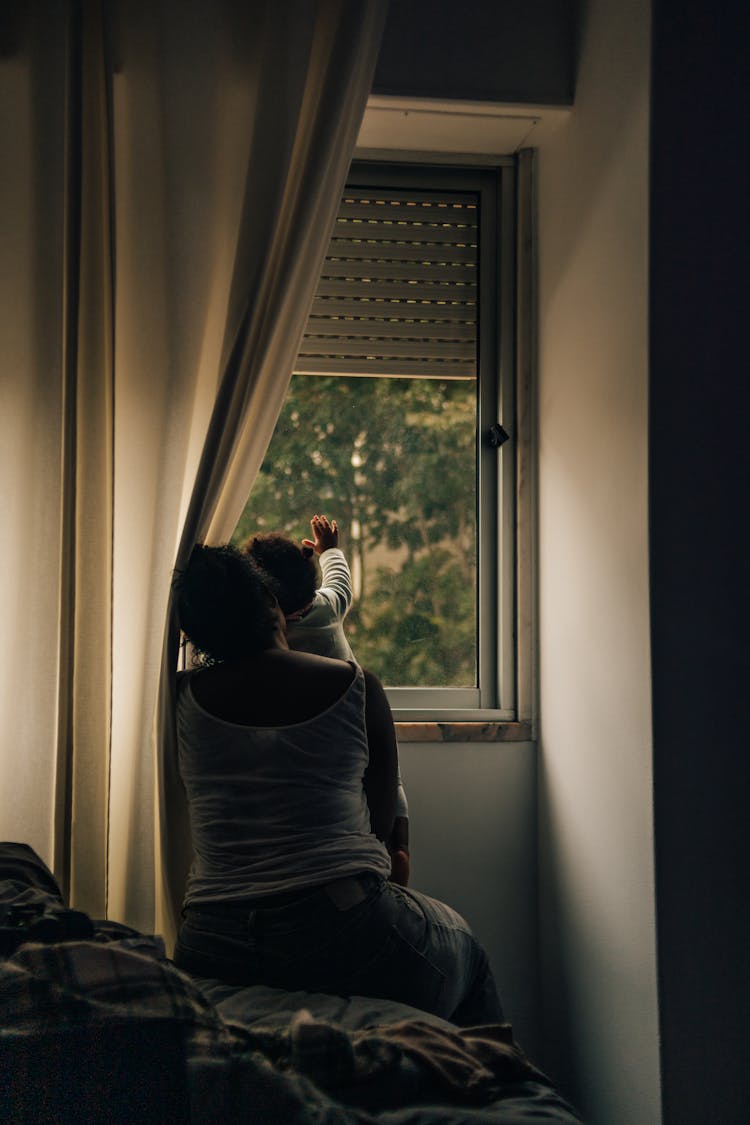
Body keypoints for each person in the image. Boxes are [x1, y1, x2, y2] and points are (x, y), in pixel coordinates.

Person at [171, 544, 503, 1026]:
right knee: (467, 953)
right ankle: (487, 1089)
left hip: (210, 938)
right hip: (341, 924)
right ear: (272, 605)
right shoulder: (356, 685)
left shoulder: (182, 700)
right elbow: (382, 822)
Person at [244, 514, 409, 884]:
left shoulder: (261, 636)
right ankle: (399, 846)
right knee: (391, 780)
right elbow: (341, 583)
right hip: (358, 720)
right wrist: (330, 552)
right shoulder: (326, 607)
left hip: (313, 729)